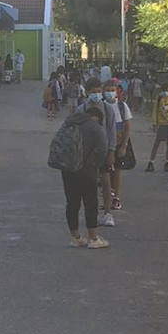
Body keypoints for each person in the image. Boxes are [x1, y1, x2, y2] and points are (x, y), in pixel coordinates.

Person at [52, 100, 110, 248]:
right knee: (90, 203)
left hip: (67, 168)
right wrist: (92, 165)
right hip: (87, 171)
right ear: (97, 117)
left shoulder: (69, 123)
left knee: (72, 203)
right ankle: (93, 238)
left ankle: (76, 237)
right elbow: (103, 150)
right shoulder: (95, 128)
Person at [84, 76, 118, 228]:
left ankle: (107, 213)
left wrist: (111, 151)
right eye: (93, 92)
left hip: (103, 151)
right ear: (87, 92)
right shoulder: (82, 109)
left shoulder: (108, 109)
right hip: (87, 153)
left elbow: (112, 132)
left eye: (98, 91)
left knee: (106, 183)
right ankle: (92, 213)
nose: (96, 95)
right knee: (89, 185)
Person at [109, 79, 133, 209]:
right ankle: (108, 196)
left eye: (113, 90)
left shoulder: (122, 107)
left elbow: (127, 126)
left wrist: (124, 145)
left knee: (117, 170)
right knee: (106, 172)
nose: (110, 93)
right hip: (105, 144)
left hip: (118, 144)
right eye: (107, 90)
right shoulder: (101, 105)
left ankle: (116, 197)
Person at [146, 85, 168, 173]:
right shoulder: (159, 98)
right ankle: (151, 162)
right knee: (156, 143)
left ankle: (167, 162)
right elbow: (155, 111)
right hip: (162, 124)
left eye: (167, 90)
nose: (165, 92)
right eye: (164, 90)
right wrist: (154, 123)